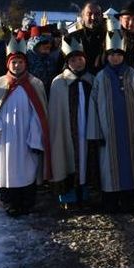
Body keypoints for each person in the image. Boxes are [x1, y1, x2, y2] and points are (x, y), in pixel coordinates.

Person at [0, 37, 51, 217]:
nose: (17, 66)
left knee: (28, 170)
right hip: (5, 138)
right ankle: (10, 202)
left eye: (20, 62)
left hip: (28, 137)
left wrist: (36, 135)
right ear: (8, 64)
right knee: (6, 171)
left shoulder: (35, 84)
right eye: (14, 62)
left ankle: (27, 202)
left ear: (25, 63)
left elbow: (40, 115)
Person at [87, 30, 134, 213]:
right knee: (109, 167)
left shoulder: (133, 75)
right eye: (111, 55)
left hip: (131, 131)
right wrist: (96, 133)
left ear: (123, 56)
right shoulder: (100, 77)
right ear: (106, 56)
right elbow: (93, 105)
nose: (115, 58)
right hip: (108, 133)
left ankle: (128, 200)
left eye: (118, 55)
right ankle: (110, 201)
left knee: (131, 165)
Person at [48, 37, 96, 209]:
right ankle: (68, 197)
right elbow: (55, 116)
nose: (77, 63)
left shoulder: (92, 80)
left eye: (80, 59)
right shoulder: (59, 83)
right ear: (67, 62)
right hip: (67, 132)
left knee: (85, 159)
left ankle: (84, 194)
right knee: (66, 159)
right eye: (73, 60)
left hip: (87, 129)